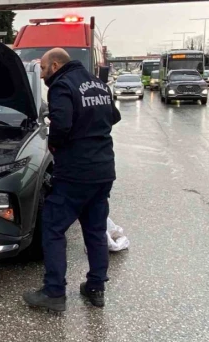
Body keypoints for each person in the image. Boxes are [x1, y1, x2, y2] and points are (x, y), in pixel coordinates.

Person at [23, 48, 121, 312]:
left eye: (43, 69)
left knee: (53, 228)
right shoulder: (98, 85)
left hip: (75, 173)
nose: (42, 74)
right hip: (103, 171)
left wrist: (55, 146)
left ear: (55, 65)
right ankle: (95, 288)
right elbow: (114, 116)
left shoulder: (61, 86)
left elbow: (62, 126)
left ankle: (54, 292)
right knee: (95, 230)